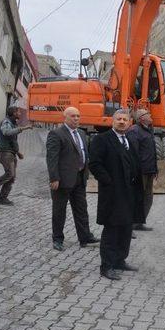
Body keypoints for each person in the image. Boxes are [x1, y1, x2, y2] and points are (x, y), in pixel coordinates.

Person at [88, 109, 144, 280]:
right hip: (113, 193)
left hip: (129, 194)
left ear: (129, 123)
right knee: (112, 229)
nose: (121, 121)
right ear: (112, 121)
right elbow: (95, 164)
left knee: (126, 228)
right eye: (118, 119)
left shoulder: (129, 140)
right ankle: (107, 266)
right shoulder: (102, 140)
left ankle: (120, 260)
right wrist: (108, 181)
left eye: (124, 119)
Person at [46, 107, 100, 251]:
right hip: (62, 180)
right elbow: (52, 158)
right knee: (59, 211)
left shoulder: (81, 133)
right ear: (65, 117)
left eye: (78, 116)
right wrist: (54, 178)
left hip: (79, 178)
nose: (76, 118)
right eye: (73, 116)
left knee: (81, 209)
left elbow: (84, 154)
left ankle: (85, 237)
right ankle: (57, 238)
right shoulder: (56, 134)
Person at [0, 107, 32, 205]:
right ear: (13, 113)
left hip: (11, 153)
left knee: (11, 177)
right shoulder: (6, 122)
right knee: (9, 174)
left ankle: (1, 199)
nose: (20, 113)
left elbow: (12, 141)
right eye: (18, 112)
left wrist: (18, 152)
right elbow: (6, 132)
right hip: (5, 153)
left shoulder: (13, 123)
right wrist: (23, 128)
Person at [126, 109, 158, 232]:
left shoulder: (149, 130)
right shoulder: (134, 131)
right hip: (141, 171)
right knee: (137, 197)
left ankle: (139, 222)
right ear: (141, 118)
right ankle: (130, 224)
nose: (150, 115)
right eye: (147, 114)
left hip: (150, 170)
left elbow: (152, 152)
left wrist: (155, 169)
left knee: (148, 197)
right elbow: (133, 153)